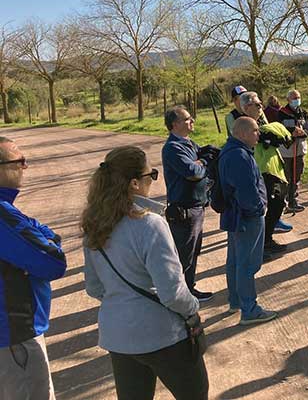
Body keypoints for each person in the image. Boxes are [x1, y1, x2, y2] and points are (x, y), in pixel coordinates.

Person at [81, 146, 208, 400]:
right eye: (151, 175)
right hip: (163, 334)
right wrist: (192, 307)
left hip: (119, 336)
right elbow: (172, 292)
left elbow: (94, 287)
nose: (152, 181)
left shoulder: (93, 222)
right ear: (135, 183)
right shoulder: (149, 224)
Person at [0, 136, 66, 400]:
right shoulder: (3, 216)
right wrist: (43, 238)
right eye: (20, 162)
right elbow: (52, 262)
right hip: (15, 338)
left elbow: (42, 235)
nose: (24, 168)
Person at [219, 117, 278, 325]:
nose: (258, 135)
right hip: (247, 217)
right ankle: (250, 310)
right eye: (255, 131)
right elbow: (246, 191)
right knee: (247, 263)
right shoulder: (239, 156)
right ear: (243, 133)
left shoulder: (232, 151)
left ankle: (236, 301)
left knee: (235, 260)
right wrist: (259, 209)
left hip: (236, 215)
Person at [161, 106, 212, 301]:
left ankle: (189, 289)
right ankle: (179, 295)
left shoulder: (188, 143)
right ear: (175, 124)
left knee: (193, 252)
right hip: (184, 210)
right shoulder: (173, 147)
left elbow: (199, 164)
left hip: (196, 206)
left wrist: (201, 162)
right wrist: (203, 164)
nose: (192, 121)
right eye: (187, 119)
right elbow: (193, 172)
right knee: (184, 255)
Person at [239, 92, 295, 258]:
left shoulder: (261, 120)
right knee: (265, 208)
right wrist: (272, 134)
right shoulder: (244, 125)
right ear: (247, 107)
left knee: (277, 205)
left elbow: (278, 135)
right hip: (261, 170)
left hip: (274, 169)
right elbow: (269, 135)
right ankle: (260, 246)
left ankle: (267, 240)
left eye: (260, 103)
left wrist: (277, 133)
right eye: (257, 104)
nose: (260, 107)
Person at [277, 89, 308, 213]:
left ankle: (293, 200)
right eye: (293, 98)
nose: (296, 100)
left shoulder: (303, 113)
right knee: (286, 177)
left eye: (298, 97)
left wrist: (304, 132)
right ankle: (283, 202)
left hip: (300, 150)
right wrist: (291, 133)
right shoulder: (282, 113)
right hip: (287, 151)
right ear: (288, 100)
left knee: (297, 176)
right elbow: (279, 130)